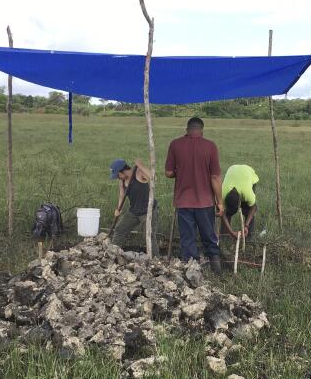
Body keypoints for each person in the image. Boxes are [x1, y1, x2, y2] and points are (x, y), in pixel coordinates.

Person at [165, 117, 223, 273]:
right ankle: (216, 267)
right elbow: (215, 177)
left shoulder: (175, 144)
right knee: (209, 236)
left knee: (187, 238)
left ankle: (192, 271)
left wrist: (180, 171)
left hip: (183, 201)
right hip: (205, 202)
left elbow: (168, 172)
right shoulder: (210, 146)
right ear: (201, 130)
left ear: (187, 129)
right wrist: (220, 202)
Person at [109, 158, 159, 256]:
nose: (117, 178)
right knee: (119, 229)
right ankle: (112, 254)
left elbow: (154, 178)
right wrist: (118, 209)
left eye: (118, 175)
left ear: (123, 171)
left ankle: (156, 259)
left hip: (148, 211)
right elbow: (122, 196)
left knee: (148, 235)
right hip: (134, 211)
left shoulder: (139, 173)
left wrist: (140, 165)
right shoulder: (122, 181)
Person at [220, 164, 259, 240]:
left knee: (247, 209)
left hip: (248, 171)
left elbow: (253, 207)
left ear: (239, 203)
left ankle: (249, 236)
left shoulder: (247, 193)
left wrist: (246, 225)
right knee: (227, 213)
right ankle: (224, 237)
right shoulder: (222, 193)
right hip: (232, 169)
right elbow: (222, 212)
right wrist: (231, 233)